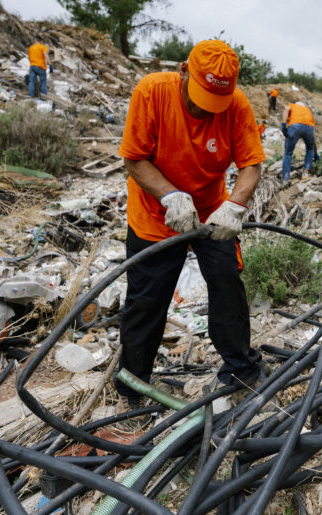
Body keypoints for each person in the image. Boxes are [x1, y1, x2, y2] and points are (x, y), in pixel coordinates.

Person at [116, 39, 265, 416]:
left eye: (215, 103)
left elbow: (251, 164)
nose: (205, 110)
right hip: (155, 212)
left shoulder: (236, 105)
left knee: (227, 281)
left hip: (213, 211)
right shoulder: (152, 92)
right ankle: (132, 386)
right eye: (199, 99)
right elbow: (134, 159)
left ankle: (241, 372)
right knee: (147, 300)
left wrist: (235, 205)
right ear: (183, 71)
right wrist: (170, 196)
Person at [281, 102, 316, 181]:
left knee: (288, 153)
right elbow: (313, 141)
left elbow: (286, 109)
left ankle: (285, 178)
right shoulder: (308, 110)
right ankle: (305, 173)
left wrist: (283, 124)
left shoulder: (292, 105)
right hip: (310, 127)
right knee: (310, 149)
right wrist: (316, 154)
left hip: (295, 126)